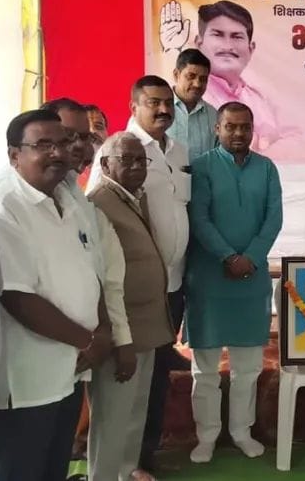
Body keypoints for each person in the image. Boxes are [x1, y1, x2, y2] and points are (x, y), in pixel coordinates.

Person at [0, 109, 128, 481]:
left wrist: (103, 331)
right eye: (43, 145)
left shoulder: (68, 199)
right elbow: (16, 297)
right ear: (15, 155)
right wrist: (90, 340)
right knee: (17, 471)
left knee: (53, 468)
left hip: (70, 370)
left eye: (63, 143)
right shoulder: (2, 207)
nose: (58, 153)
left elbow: (91, 271)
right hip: (29, 378)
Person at [185, 102, 282, 464]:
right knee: (205, 369)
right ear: (217, 128)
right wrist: (228, 257)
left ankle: (242, 432)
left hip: (251, 280)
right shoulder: (202, 167)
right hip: (209, 279)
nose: (239, 133)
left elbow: (273, 219)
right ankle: (206, 436)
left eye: (245, 127)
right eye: (231, 126)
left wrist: (250, 258)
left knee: (248, 368)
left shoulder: (267, 168)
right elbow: (199, 219)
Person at [87, 132, 176, 481]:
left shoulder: (131, 197)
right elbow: (99, 279)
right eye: (127, 159)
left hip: (145, 326)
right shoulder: (98, 203)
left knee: (134, 412)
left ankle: (126, 472)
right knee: (112, 418)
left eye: (142, 160)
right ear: (105, 164)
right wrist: (115, 337)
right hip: (121, 330)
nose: (137, 166)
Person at [126, 76, 193, 474]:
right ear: (134, 106)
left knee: (157, 377)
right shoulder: (121, 150)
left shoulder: (178, 150)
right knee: (135, 380)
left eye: (168, 102)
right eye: (154, 102)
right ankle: (130, 461)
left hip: (174, 285)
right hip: (140, 290)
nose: (164, 109)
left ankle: (146, 454)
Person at [195, 0, 294, 152]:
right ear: (199, 43)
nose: (227, 46)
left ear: (251, 48)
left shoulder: (261, 101)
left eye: (237, 37)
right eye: (218, 35)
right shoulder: (194, 98)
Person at [166, 49, 218, 162]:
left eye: (203, 79)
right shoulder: (155, 110)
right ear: (176, 75)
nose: (197, 84)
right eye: (191, 76)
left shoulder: (214, 115)